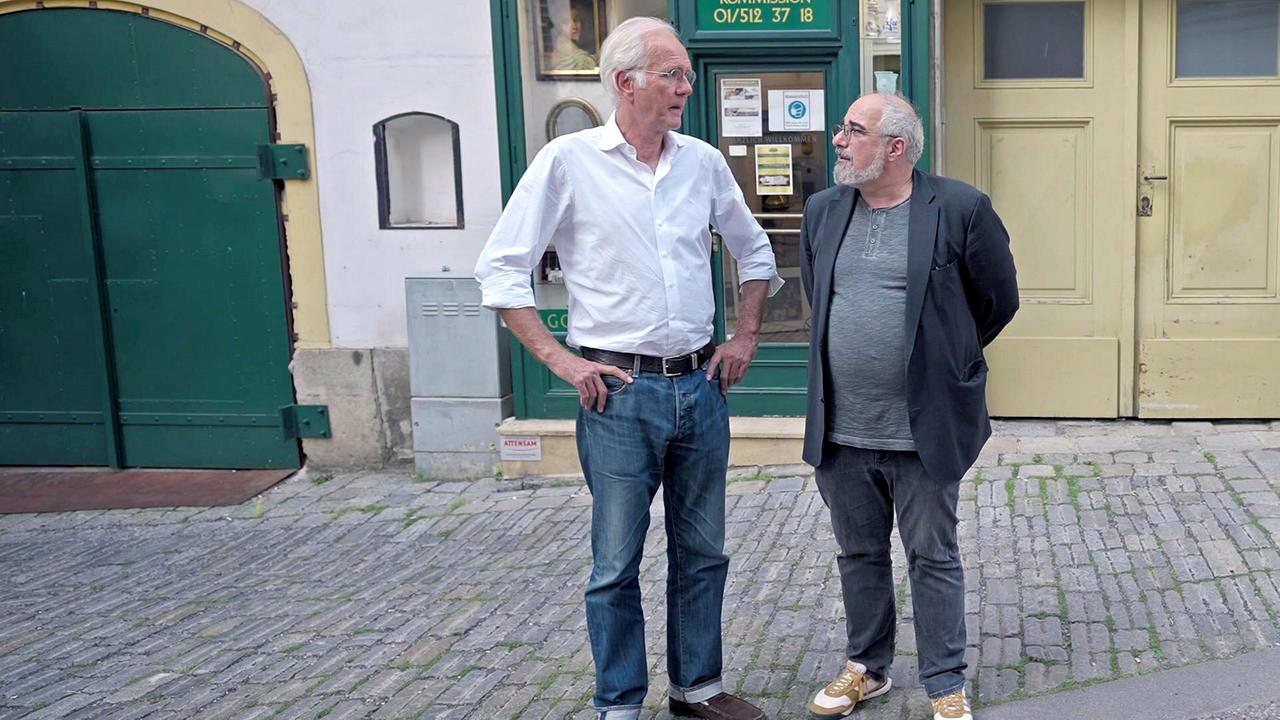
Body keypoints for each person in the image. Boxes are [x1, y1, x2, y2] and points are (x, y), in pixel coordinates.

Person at [475, 16, 782, 720]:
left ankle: (697, 689)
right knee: (615, 563)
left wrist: (744, 338)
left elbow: (757, 251)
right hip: (619, 395)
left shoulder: (702, 162)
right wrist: (559, 359)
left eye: (687, 75)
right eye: (673, 74)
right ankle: (619, 703)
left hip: (700, 387)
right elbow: (501, 271)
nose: (686, 87)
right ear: (625, 82)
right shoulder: (567, 161)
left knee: (703, 552)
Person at [798, 94, 1019, 720]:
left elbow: (997, 301)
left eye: (854, 130)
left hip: (923, 428)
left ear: (896, 147)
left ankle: (945, 681)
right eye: (842, 128)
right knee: (859, 554)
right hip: (842, 428)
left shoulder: (960, 208)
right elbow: (819, 294)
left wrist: (942, 361)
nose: (839, 140)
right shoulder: (822, 210)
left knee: (932, 555)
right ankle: (867, 668)